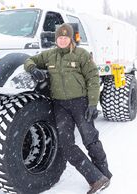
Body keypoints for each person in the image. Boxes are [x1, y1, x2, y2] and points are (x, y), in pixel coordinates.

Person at [24, 23, 112, 194]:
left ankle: (104, 173)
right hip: (60, 105)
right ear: (56, 39)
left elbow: (93, 78)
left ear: (71, 38)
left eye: (65, 37)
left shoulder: (81, 55)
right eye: (59, 37)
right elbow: (28, 60)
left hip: (81, 103)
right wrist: (33, 69)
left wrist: (93, 103)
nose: (62, 40)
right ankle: (95, 178)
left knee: (90, 139)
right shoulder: (49, 55)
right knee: (66, 144)